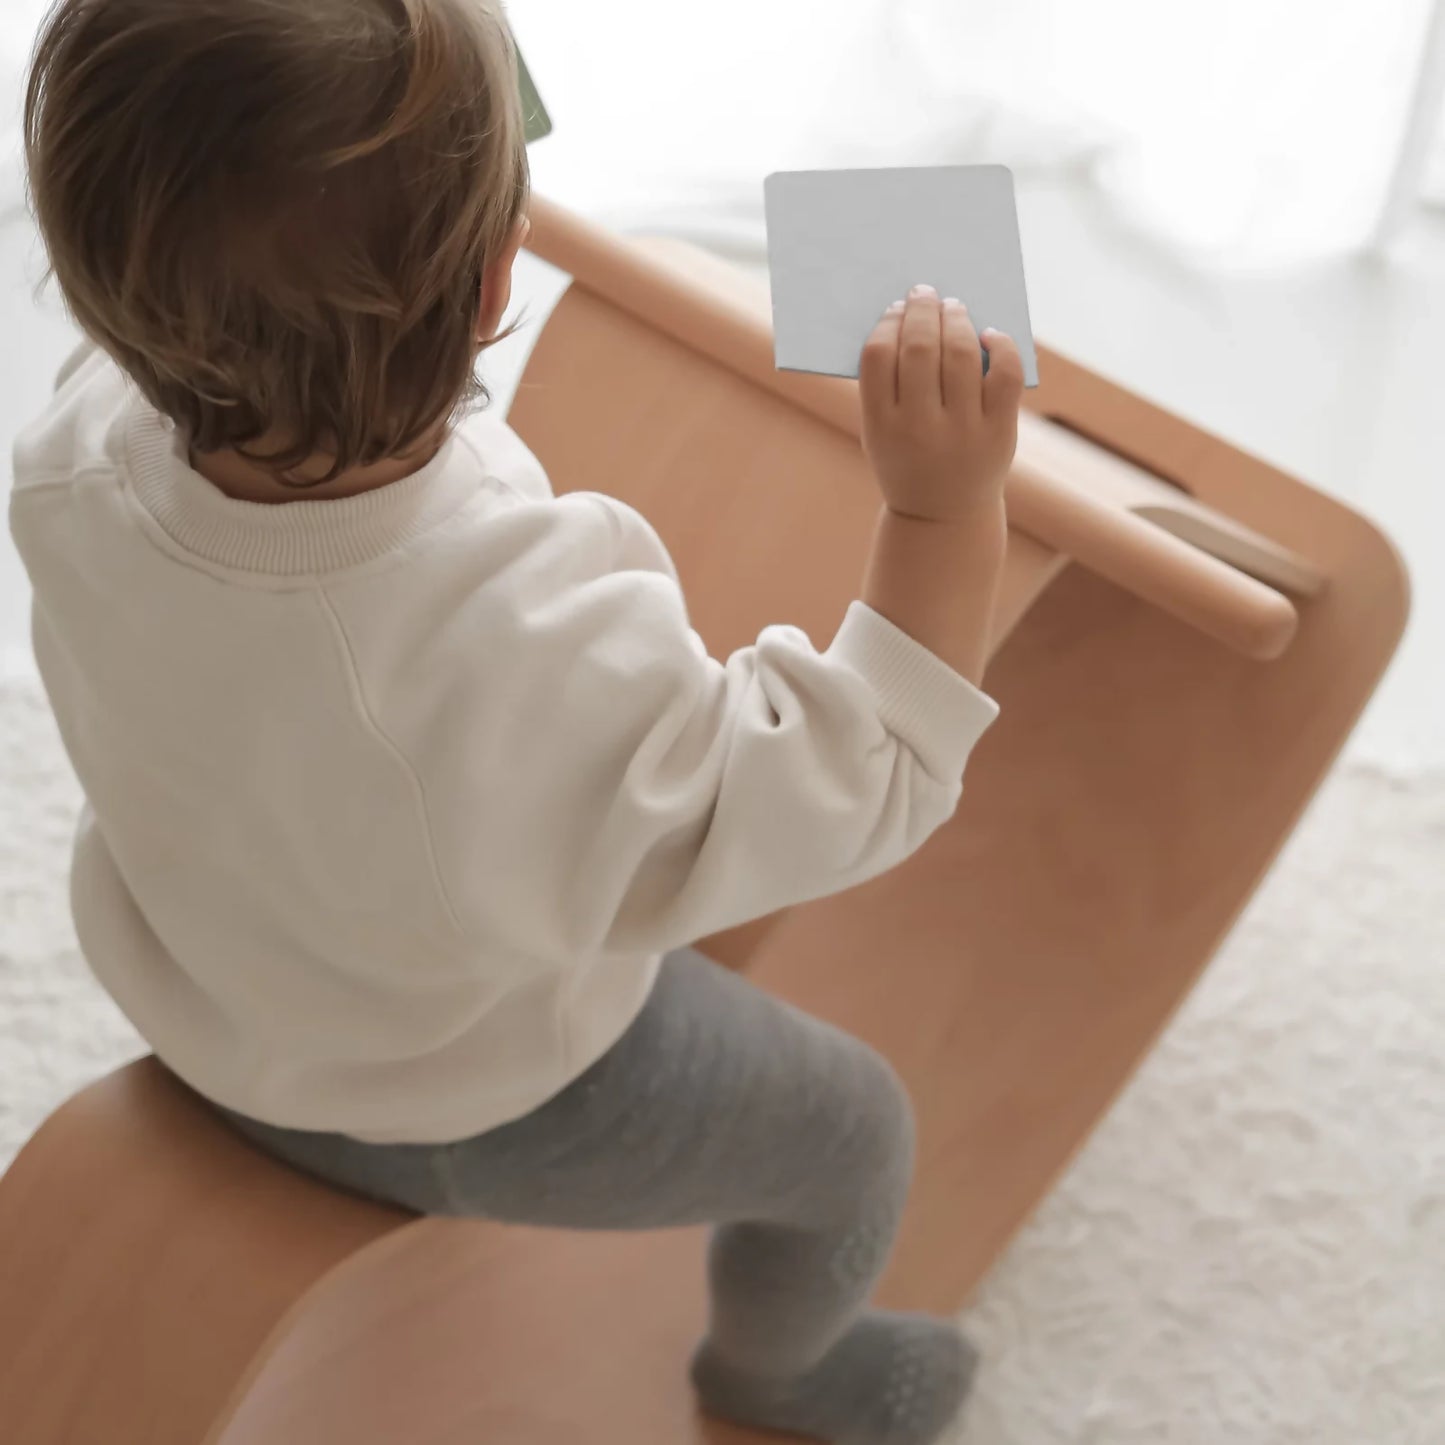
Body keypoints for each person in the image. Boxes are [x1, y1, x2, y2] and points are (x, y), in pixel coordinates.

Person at [11, 3, 1022, 1441]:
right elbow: (857, 776)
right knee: (857, 1131)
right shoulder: (529, 654)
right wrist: (943, 502)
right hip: (465, 1099)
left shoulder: (64, 449)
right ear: (498, 282)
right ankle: (779, 1375)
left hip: (195, 986)